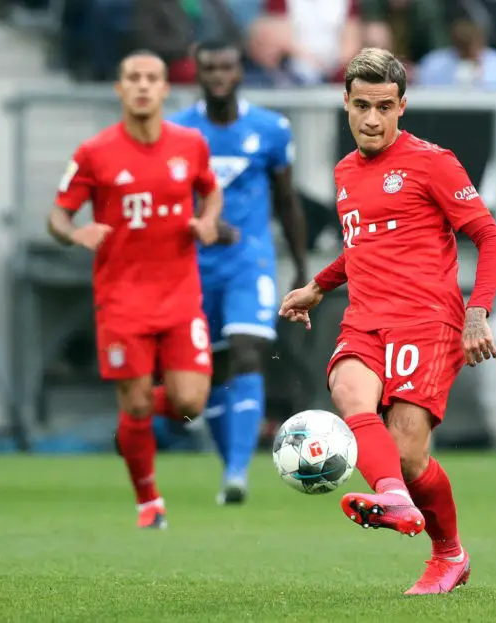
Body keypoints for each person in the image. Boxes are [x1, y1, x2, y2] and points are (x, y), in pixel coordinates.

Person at [278, 48, 496, 594]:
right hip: (365, 317)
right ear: (346, 103)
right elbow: (364, 245)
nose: (372, 119)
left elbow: (490, 237)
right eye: (362, 106)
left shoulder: (433, 162)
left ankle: (448, 553)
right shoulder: (344, 172)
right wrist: (318, 287)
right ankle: (397, 500)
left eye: (384, 107)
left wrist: (477, 310)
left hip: (427, 321)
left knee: (407, 454)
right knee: (347, 387)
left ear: (402, 106)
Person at [47, 52, 224, 529]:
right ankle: (149, 502)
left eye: (151, 79)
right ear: (119, 88)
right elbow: (58, 214)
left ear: (165, 89)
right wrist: (74, 233)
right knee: (140, 402)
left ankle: (131, 420)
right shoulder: (95, 152)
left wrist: (207, 220)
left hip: (180, 295)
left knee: (189, 403)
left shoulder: (190, 144)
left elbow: (210, 190)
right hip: (121, 299)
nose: (143, 86)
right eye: (133, 78)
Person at [170, 40, 308, 505]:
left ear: (240, 72)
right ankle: (229, 461)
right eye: (209, 67)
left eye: (226, 66)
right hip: (192, 266)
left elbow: (287, 200)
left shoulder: (270, 129)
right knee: (208, 368)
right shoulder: (178, 132)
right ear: (198, 73)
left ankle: (237, 472)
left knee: (248, 352)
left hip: (251, 263)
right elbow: (166, 202)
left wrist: (302, 266)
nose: (218, 75)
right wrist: (202, 223)